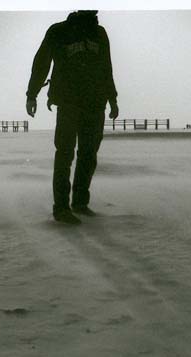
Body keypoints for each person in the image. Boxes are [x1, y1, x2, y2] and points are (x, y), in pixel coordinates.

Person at [26, 10, 119, 224]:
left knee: (89, 155)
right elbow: (41, 63)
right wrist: (32, 95)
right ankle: (61, 208)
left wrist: (112, 99)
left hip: (95, 104)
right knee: (65, 154)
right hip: (68, 103)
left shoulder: (100, 34)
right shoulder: (58, 31)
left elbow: (107, 68)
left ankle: (80, 202)